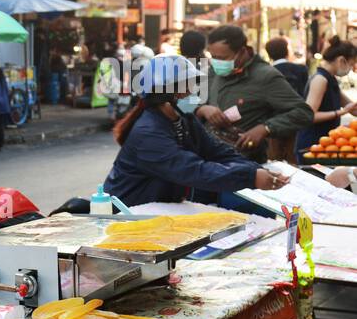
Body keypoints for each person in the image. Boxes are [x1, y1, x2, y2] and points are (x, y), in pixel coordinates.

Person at [103, 55, 286, 209]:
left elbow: (218, 152)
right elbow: (193, 170)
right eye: (186, 87)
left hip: (162, 208)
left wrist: (257, 170)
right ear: (166, 93)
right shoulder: (147, 133)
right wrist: (251, 178)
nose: (192, 93)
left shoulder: (184, 121)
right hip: (129, 213)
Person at [197, 24, 313, 166]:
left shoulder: (266, 76)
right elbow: (191, 102)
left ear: (242, 51)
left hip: (244, 163)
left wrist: (266, 128)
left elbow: (303, 112)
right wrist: (202, 109)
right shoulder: (213, 71)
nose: (216, 62)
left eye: (222, 58)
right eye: (213, 57)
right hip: (208, 161)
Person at [296, 39, 357, 160]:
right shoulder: (321, 80)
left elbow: (352, 107)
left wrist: (348, 109)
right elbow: (309, 116)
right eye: (351, 64)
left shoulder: (330, 79)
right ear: (341, 60)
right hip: (313, 146)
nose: (352, 68)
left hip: (325, 146)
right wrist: (341, 112)